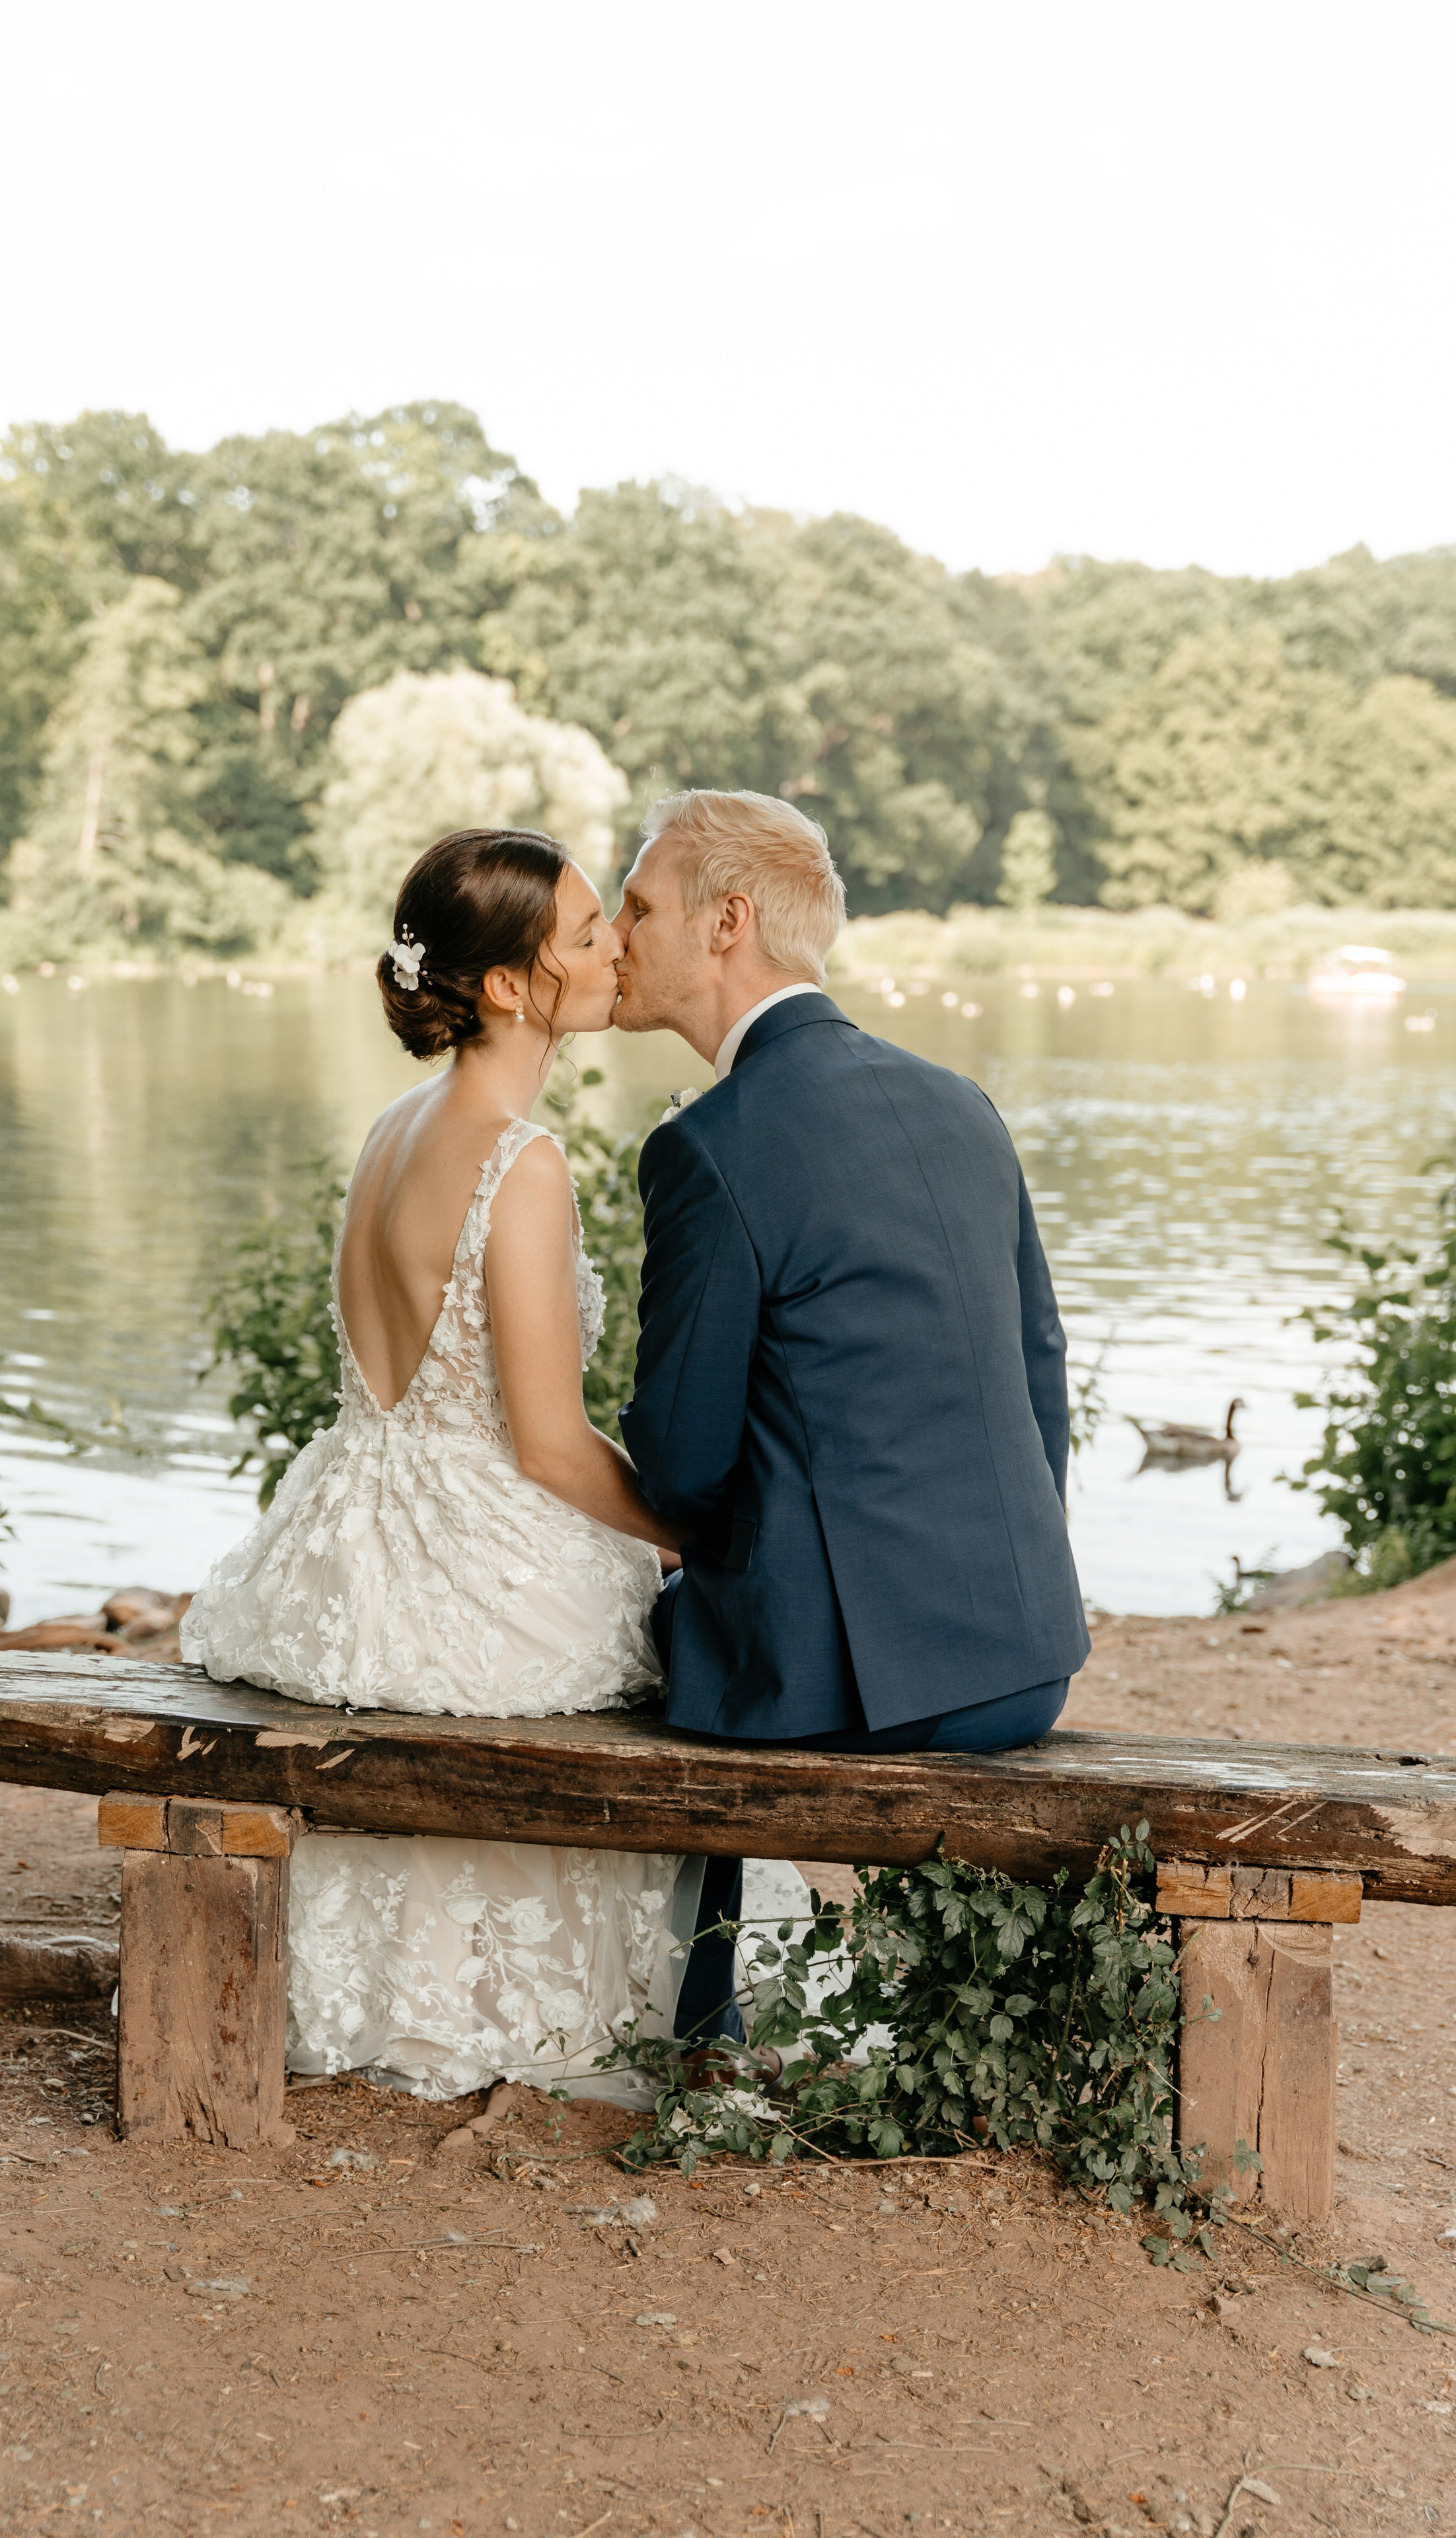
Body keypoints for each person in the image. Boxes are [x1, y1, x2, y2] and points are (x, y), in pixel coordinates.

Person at [182, 829, 695, 2101]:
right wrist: (692, 1532)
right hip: (474, 1543)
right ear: (514, 987)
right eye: (586, 934)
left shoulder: (394, 1128)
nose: (613, 943)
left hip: (353, 1531)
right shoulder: (520, 1165)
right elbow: (552, 1447)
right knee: (684, 1632)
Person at [612, 788, 1091, 2040]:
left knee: (627, 1633)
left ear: (726, 924)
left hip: (849, 1685)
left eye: (640, 901)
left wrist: (695, 1548)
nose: (618, 931)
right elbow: (1043, 1388)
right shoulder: (962, 1104)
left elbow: (677, 1454)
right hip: (1027, 1658)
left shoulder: (710, 1143)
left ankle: (704, 2021)